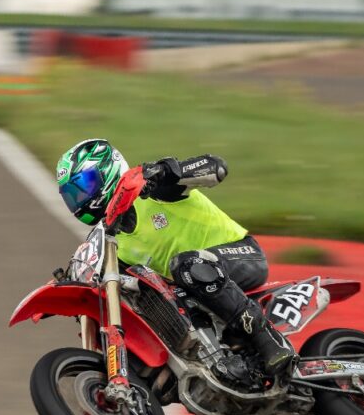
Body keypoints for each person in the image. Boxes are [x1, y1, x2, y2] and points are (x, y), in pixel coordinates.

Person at [56, 138, 294, 381]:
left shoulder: (152, 189)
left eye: (85, 185)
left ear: (108, 169)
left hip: (240, 254)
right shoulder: (111, 241)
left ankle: (269, 339)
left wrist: (165, 171)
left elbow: (217, 167)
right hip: (192, 289)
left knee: (186, 265)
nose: (81, 198)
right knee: (148, 305)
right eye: (72, 195)